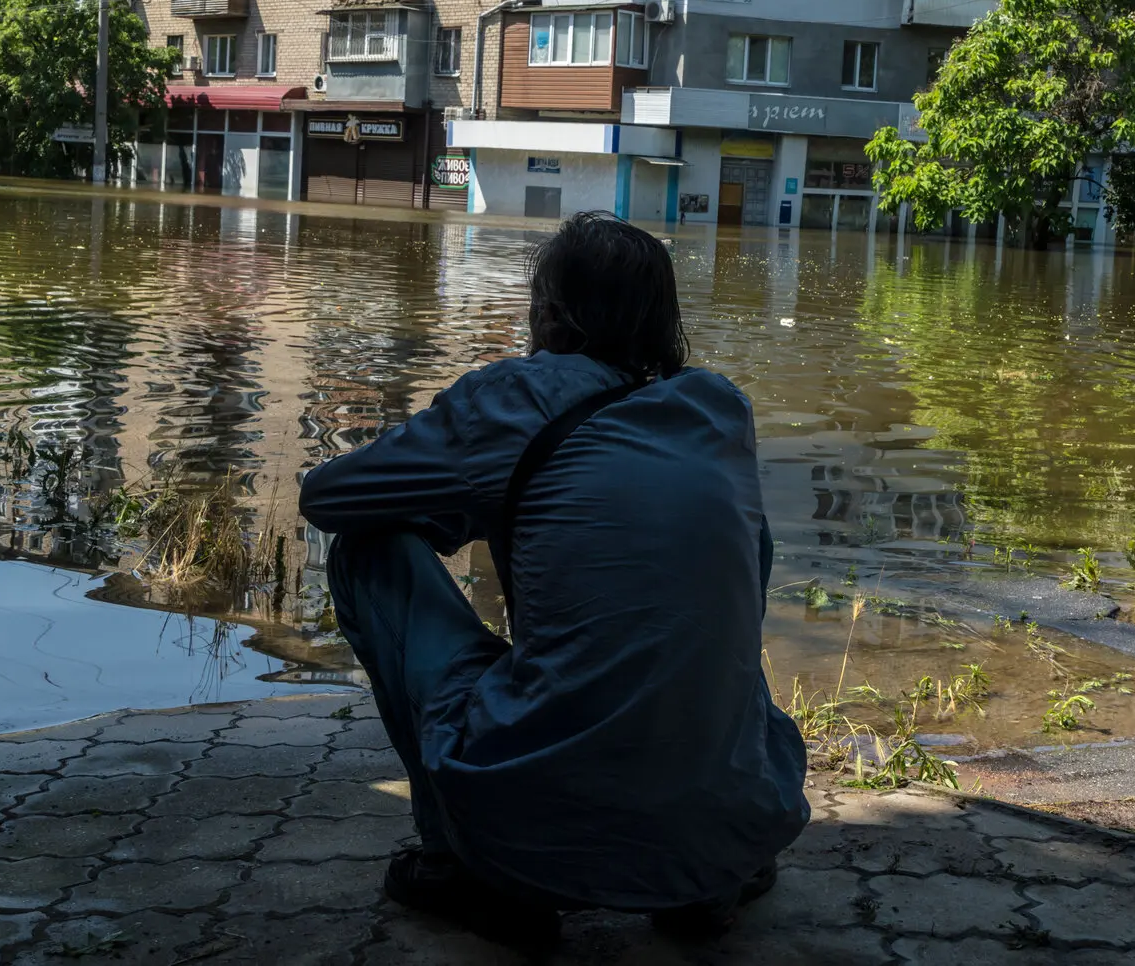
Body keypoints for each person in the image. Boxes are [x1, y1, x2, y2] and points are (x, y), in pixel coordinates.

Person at [298, 212, 808, 944]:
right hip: (734, 824)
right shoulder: (719, 409)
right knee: (714, 586)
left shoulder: (512, 398)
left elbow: (330, 499)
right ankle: (697, 873)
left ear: (550, 314)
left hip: (534, 831)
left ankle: (464, 864)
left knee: (366, 547)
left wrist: (462, 506)